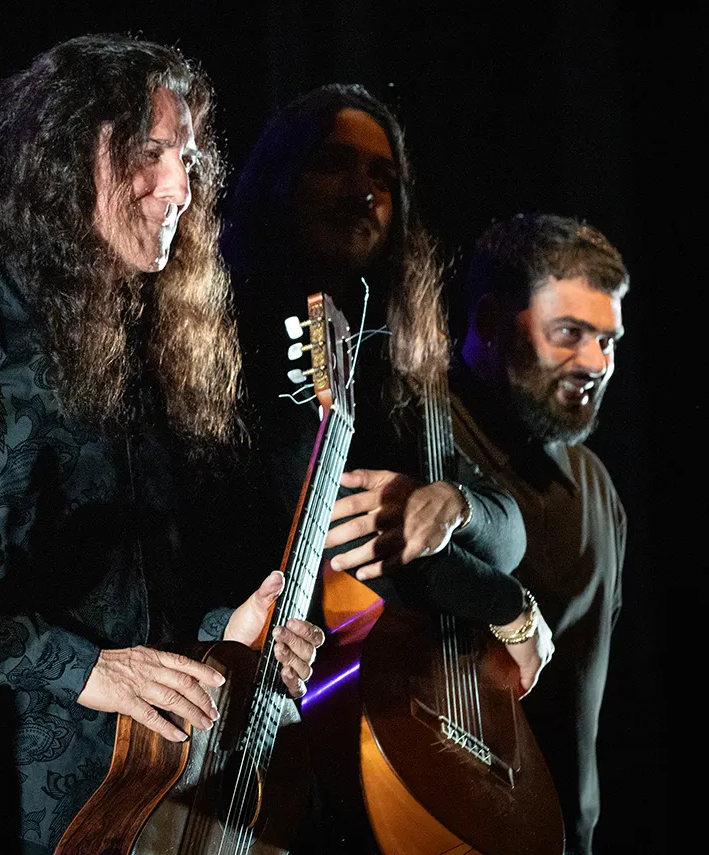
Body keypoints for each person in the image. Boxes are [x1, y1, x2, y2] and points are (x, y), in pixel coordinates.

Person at [0, 35, 324, 854]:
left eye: (188, 157)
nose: (182, 185)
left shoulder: (146, 331)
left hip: (144, 797)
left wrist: (228, 634)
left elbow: (137, 610)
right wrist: (86, 668)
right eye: (151, 153)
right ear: (69, 156)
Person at [221, 83, 551, 849]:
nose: (364, 191)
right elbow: (334, 541)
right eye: (334, 164)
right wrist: (504, 602)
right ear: (281, 181)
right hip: (288, 722)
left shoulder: (400, 360)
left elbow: (508, 526)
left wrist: (449, 506)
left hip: (405, 705)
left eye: (383, 177)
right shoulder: (236, 338)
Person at [454, 214, 628, 855]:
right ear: (492, 324)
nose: (596, 364)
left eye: (608, 341)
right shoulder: (417, 434)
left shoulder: (595, 488)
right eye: (570, 335)